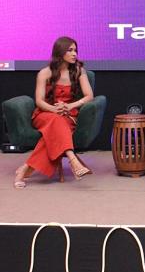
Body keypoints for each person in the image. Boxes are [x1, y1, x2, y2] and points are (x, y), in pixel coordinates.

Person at [14, 37, 94, 188]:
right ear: (60, 52)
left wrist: (70, 106)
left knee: (54, 131)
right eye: (70, 50)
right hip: (45, 114)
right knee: (56, 121)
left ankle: (24, 169)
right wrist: (54, 109)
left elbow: (89, 96)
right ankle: (73, 159)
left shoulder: (79, 71)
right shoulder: (44, 73)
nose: (74, 54)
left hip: (68, 115)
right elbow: (39, 101)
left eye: (75, 50)